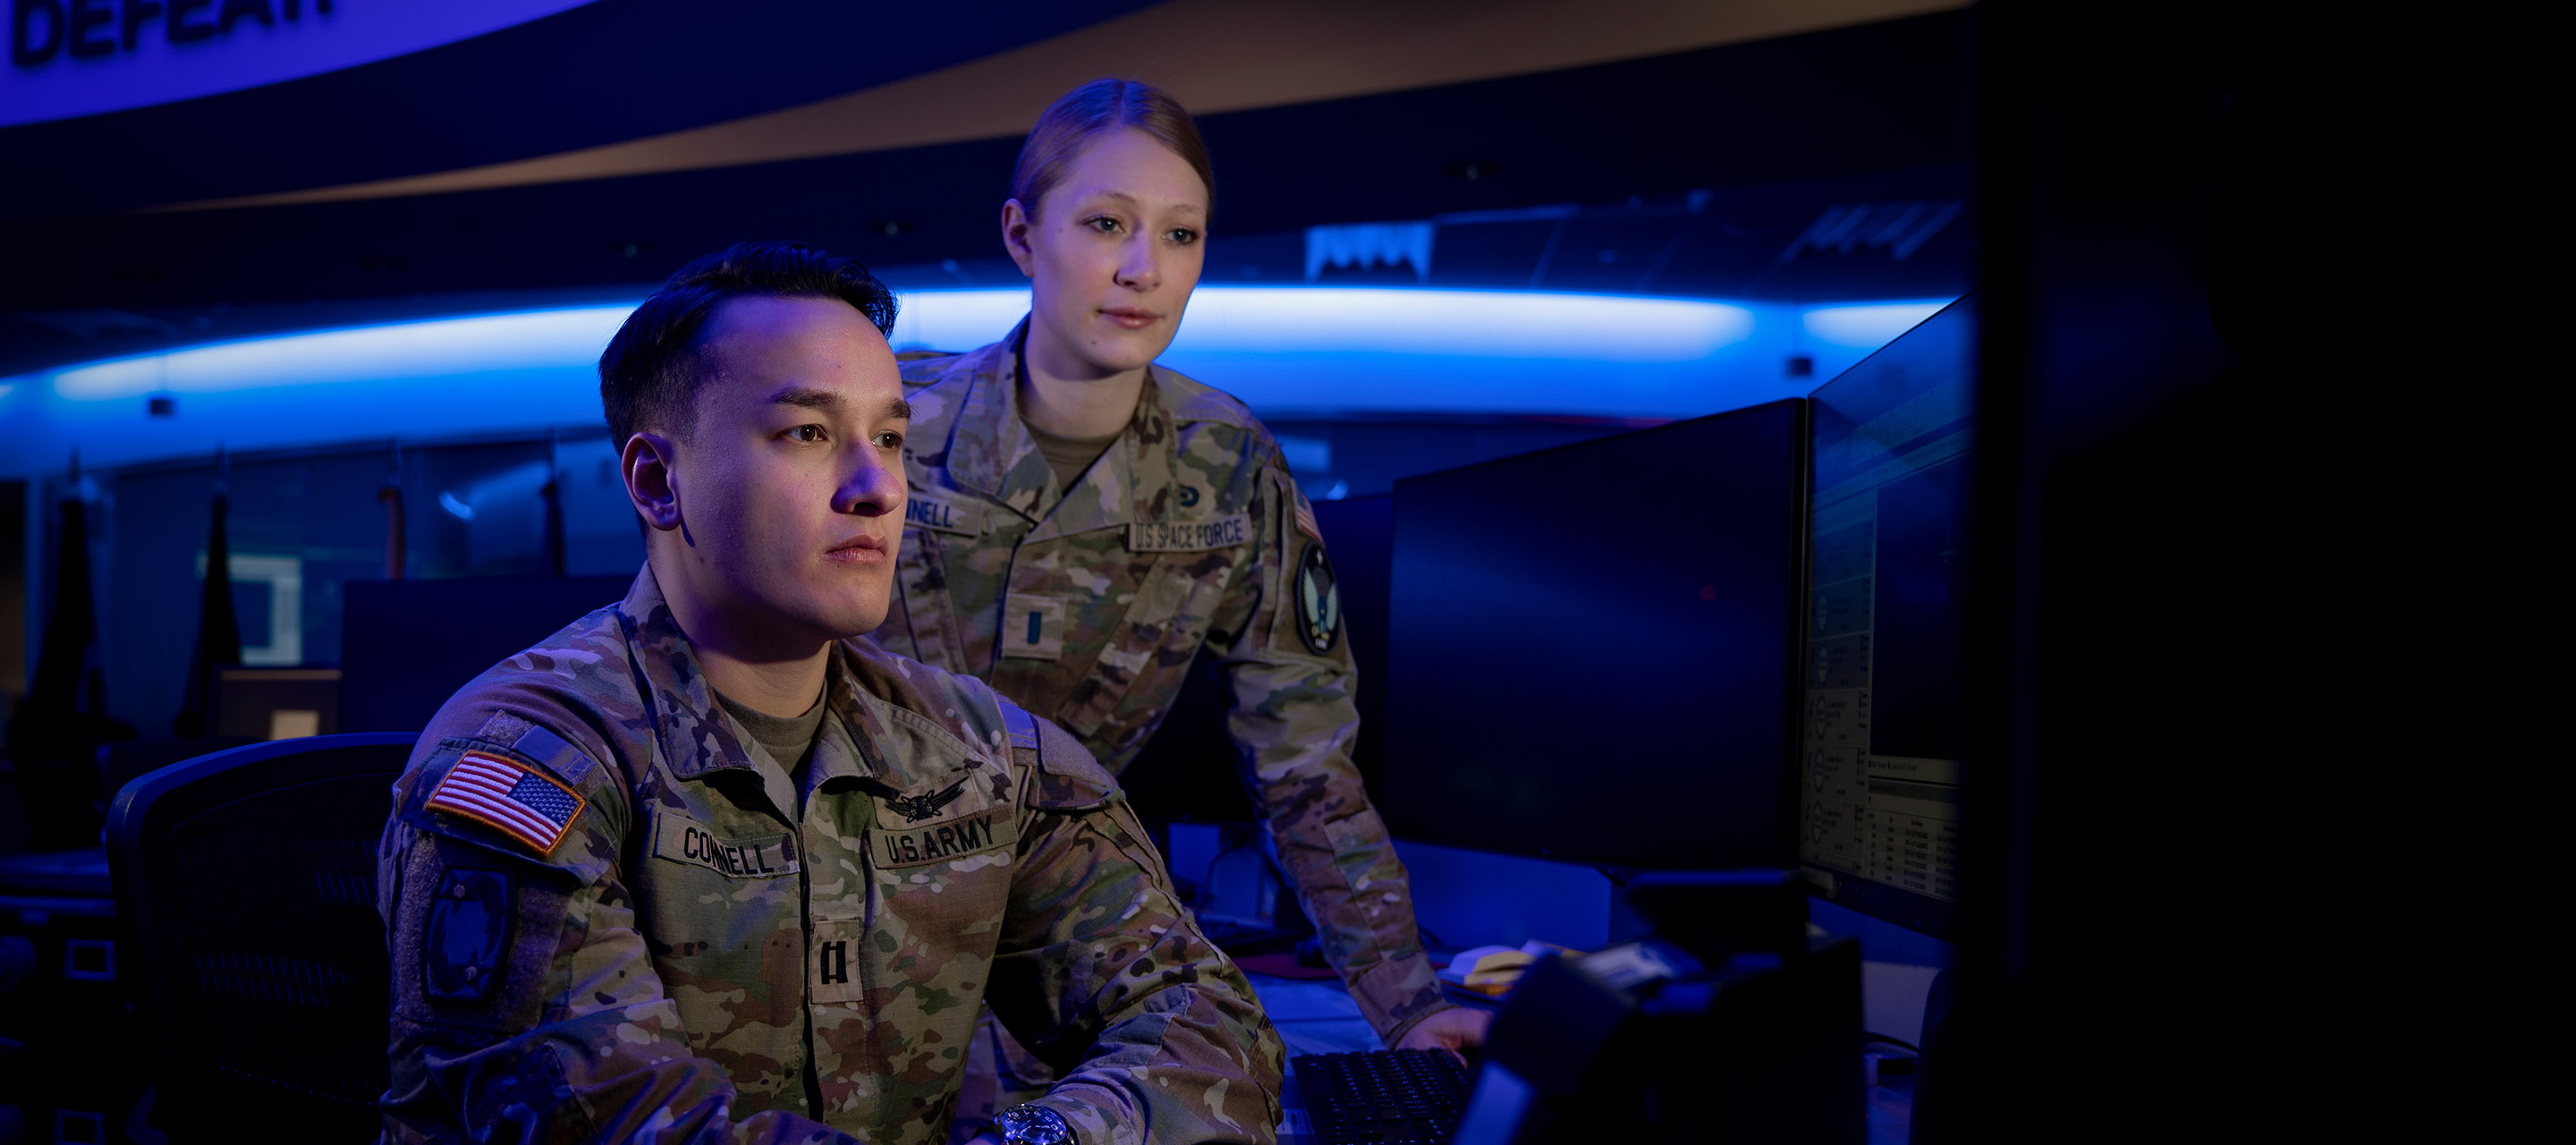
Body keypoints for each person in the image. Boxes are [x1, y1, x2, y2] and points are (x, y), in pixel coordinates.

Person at [376, 242, 1283, 1145]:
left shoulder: (976, 751)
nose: (878, 488)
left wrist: (1046, 1138)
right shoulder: (526, 765)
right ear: (658, 482)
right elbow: (625, 1124)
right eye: (807, 433)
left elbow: (1210, 1020)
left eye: (889, 438)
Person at [868, 80, 1487, 1074]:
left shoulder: (1230, 461)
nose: (1143, 270)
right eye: (1106, 223)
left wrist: (1408, 1002)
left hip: (1055, 928)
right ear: (1023, 236)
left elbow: (1305, 766)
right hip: (842, 910)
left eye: (1181, 235)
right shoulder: (888, 417)